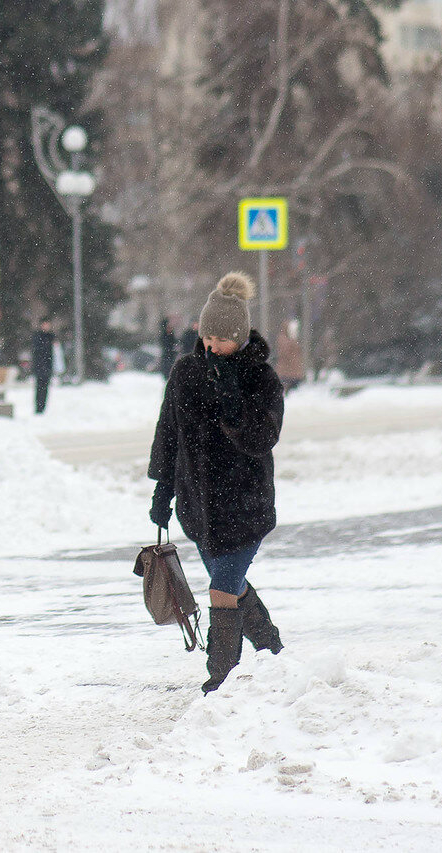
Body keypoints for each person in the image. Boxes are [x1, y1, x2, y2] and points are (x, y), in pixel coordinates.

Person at [147, 272, 285, 694]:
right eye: (207, 336)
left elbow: (263, 438)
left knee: (222, 589)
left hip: (245, 508)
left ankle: (221, 678)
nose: (211, 346)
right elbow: (168, 435)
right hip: (199, 509)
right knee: (234, 587)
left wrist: (232, 405)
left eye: (220, 339)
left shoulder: (261, 379)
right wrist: (162, 491)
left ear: (239, 338)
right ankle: (273, 653)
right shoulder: (186, 373)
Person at [31, 317, 56, 414]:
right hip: (39, 366)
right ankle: (38, 408)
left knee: (45, 388)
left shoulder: (51, 336)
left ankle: (43, 407)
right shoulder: (38, 336)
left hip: (47, 366)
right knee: (39, 388)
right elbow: (37, 352)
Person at [275, 320, 304, 395]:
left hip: (292, 369)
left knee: (293, 386)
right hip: (287, 370)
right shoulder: (283, 339)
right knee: (287, 385)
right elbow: (285, 352)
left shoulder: (289, 339)